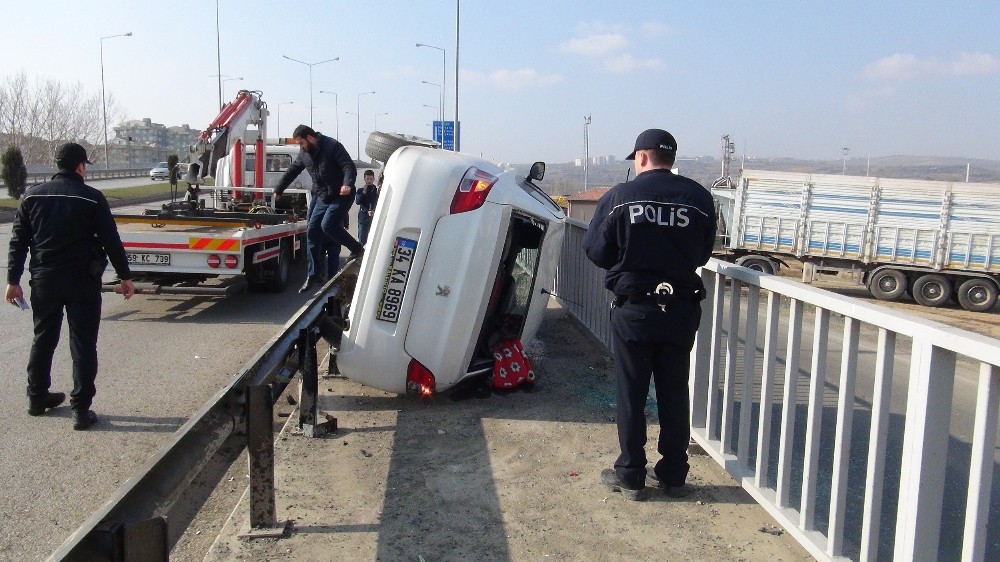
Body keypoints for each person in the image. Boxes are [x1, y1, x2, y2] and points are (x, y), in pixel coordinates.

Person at [582, 129, 716, 501]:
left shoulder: (620, 197)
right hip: (681, 309)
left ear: (641, 157)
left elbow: (595, 250)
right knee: (674, 391)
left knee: (632, 393)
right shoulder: (699, 198)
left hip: (635, 309)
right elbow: (703, 253)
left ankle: (631, 475)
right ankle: (674, 475)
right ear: (670, 159)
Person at [5, 142, 136, 431]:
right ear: (80, 166)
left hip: (44, 280)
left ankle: (37, 397)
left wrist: (13, 281)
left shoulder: (31, 196)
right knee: (83, 344)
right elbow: (111, 240)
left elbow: (19, 242)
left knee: (43, 338)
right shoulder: (91, 198)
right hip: (82, 282)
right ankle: (80, 409)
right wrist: (125, 277)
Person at [272, 125, 364, 293]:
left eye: (301, 143)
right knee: (312, 231)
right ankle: (314, 274)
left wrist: (347, 183)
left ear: (309, 137)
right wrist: (279, 189)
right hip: (322, 195)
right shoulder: (304, 154)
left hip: (341, 194)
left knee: (328, 225)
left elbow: (348, 166)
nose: (300, 147)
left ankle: (357, 249)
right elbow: (292, 171)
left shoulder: (332, 146)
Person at [355, 169, 378, 244]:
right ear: (364, 179)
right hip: (363, 217)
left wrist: (373, 210)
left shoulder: (376, 190)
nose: (369, 181)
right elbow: (357, 202)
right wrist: (364, 192)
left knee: (372, 239)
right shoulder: (360, 190)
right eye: (367, 179)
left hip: (373, 218)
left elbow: (377, 202)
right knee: (362, 239)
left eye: (371, 179)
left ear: (374, 179)